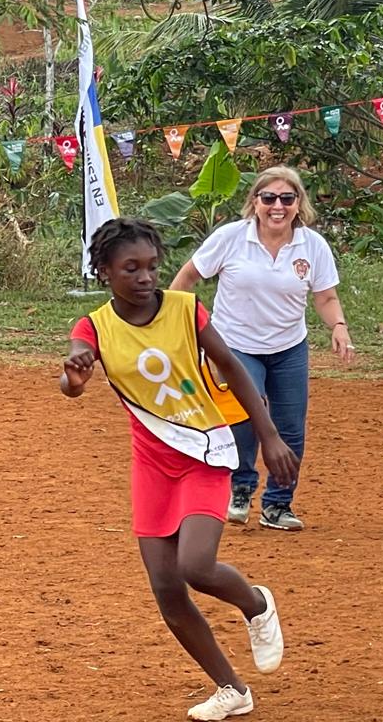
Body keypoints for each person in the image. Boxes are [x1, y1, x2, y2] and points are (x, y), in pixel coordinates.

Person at [61, 218, 298, 722]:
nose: (146, 277)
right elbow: (73, 377)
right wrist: (75, 375)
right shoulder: (93, 327)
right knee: (167, 588)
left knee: (195, 566)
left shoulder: (186, 308)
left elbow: (232, 368)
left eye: (151, 266)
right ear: (104, 271)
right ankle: (232, 690)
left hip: (206, 452)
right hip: (152, 465)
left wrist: (270, 436)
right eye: (132, 268)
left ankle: (255, 603)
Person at [171, 166, 353, 532]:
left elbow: (326, 296)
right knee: (244, 417)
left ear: (299, 204)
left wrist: (338, 326)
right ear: (254, 202)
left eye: (287, 198)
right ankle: (240, 490)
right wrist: (175, 323)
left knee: (290, 428)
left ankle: (278, 505)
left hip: (289, 348)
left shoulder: (312, 246)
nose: (277, 206)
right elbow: (188, 277)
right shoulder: (231, 238)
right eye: (268, 197)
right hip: (234, 346)